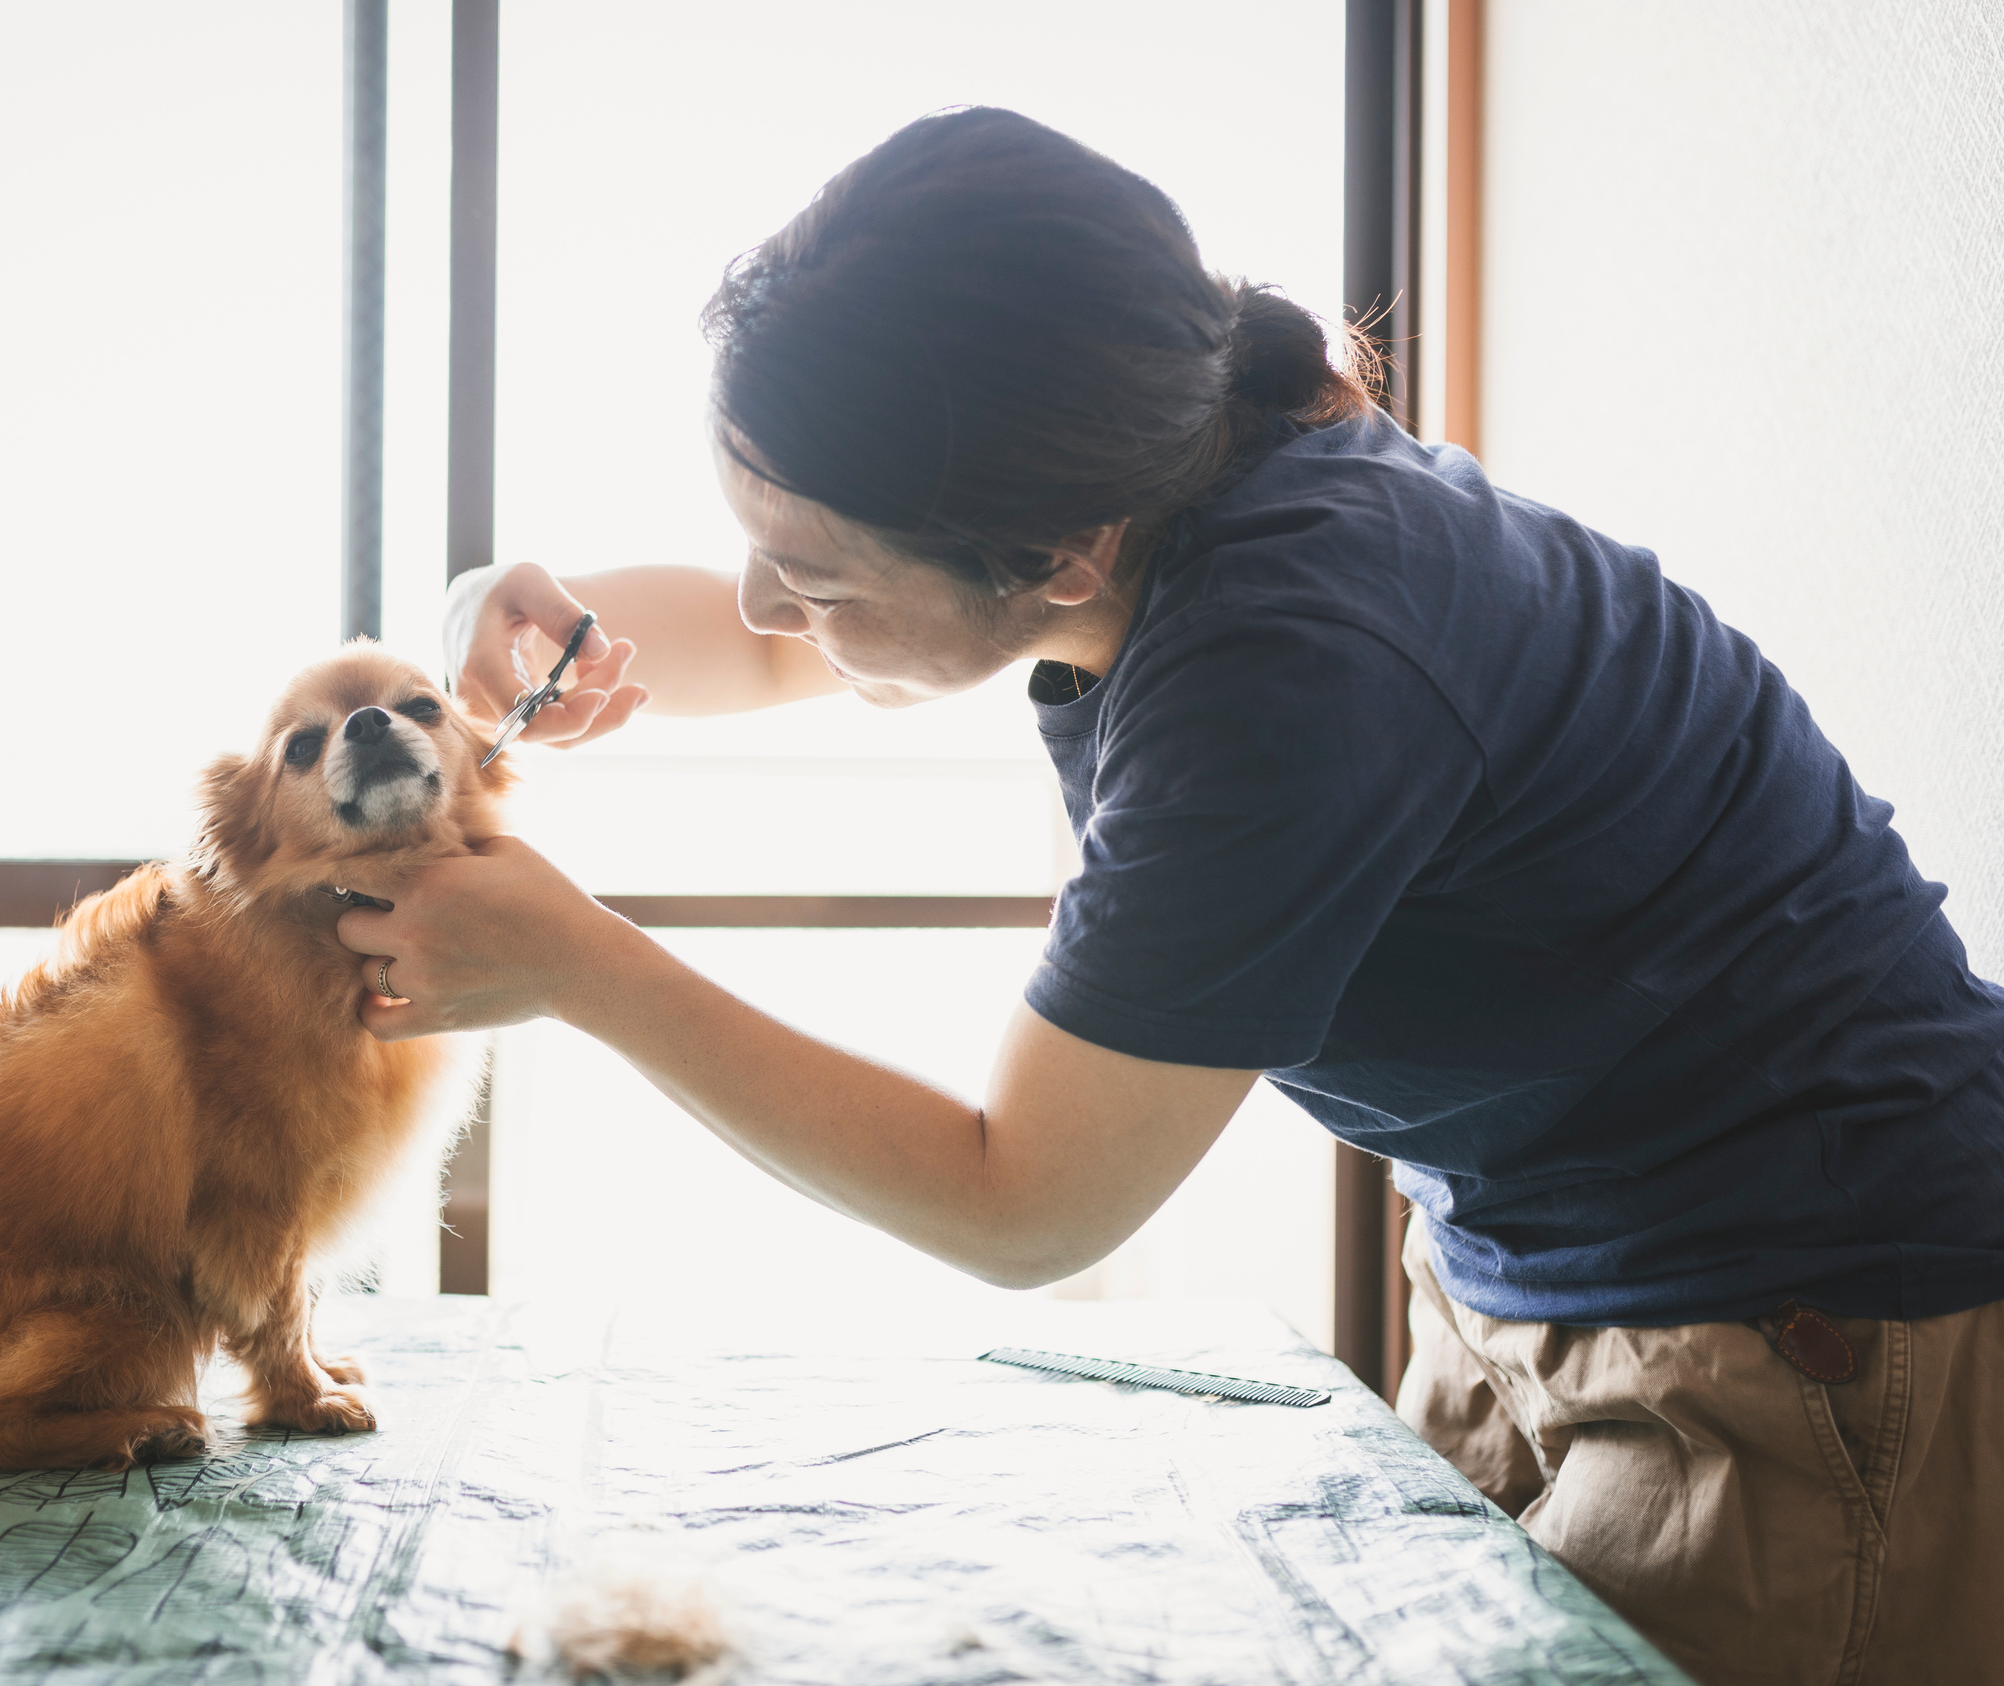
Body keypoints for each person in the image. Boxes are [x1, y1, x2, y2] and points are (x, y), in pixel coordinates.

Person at [336, 107, 2004, 1686]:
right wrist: (502, 605)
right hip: (1533, 1270)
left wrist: (582, 966)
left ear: (1056, 550)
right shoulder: (1181, 462)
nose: (771, 599)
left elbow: (1024, 1203)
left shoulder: (1284, 665)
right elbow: (766, 628)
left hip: (1809, 1322)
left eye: (817, 567)